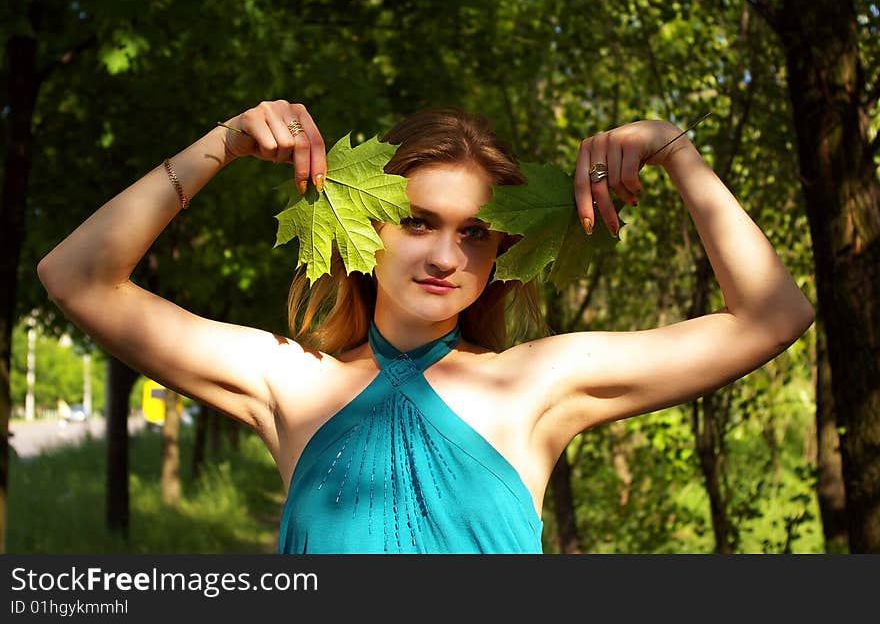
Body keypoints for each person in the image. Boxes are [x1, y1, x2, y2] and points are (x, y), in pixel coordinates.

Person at [37, 100, 815, 553]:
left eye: (475, 232)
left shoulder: (535, 384)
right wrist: (223, 144)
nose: (447, 253)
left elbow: (772, 315)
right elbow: (77, 277)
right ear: (370, 227)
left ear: (499, 248)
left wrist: (672, 149)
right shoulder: (290, 382)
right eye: (417, 221)